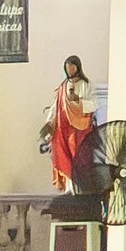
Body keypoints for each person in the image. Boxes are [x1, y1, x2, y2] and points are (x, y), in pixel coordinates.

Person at [42, 57, 97, 195]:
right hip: (63, 126)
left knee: (77, 155)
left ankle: (78, 188)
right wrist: (49, 122)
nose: (70, 70)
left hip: (79, 127)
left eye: (72, 67)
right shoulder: (63, 86)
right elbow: (56, 106)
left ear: (78, 67)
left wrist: (78, 100)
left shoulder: (86, 84)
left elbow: (94, 105)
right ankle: (68, 187)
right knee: (62, 155)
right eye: (67, 68)